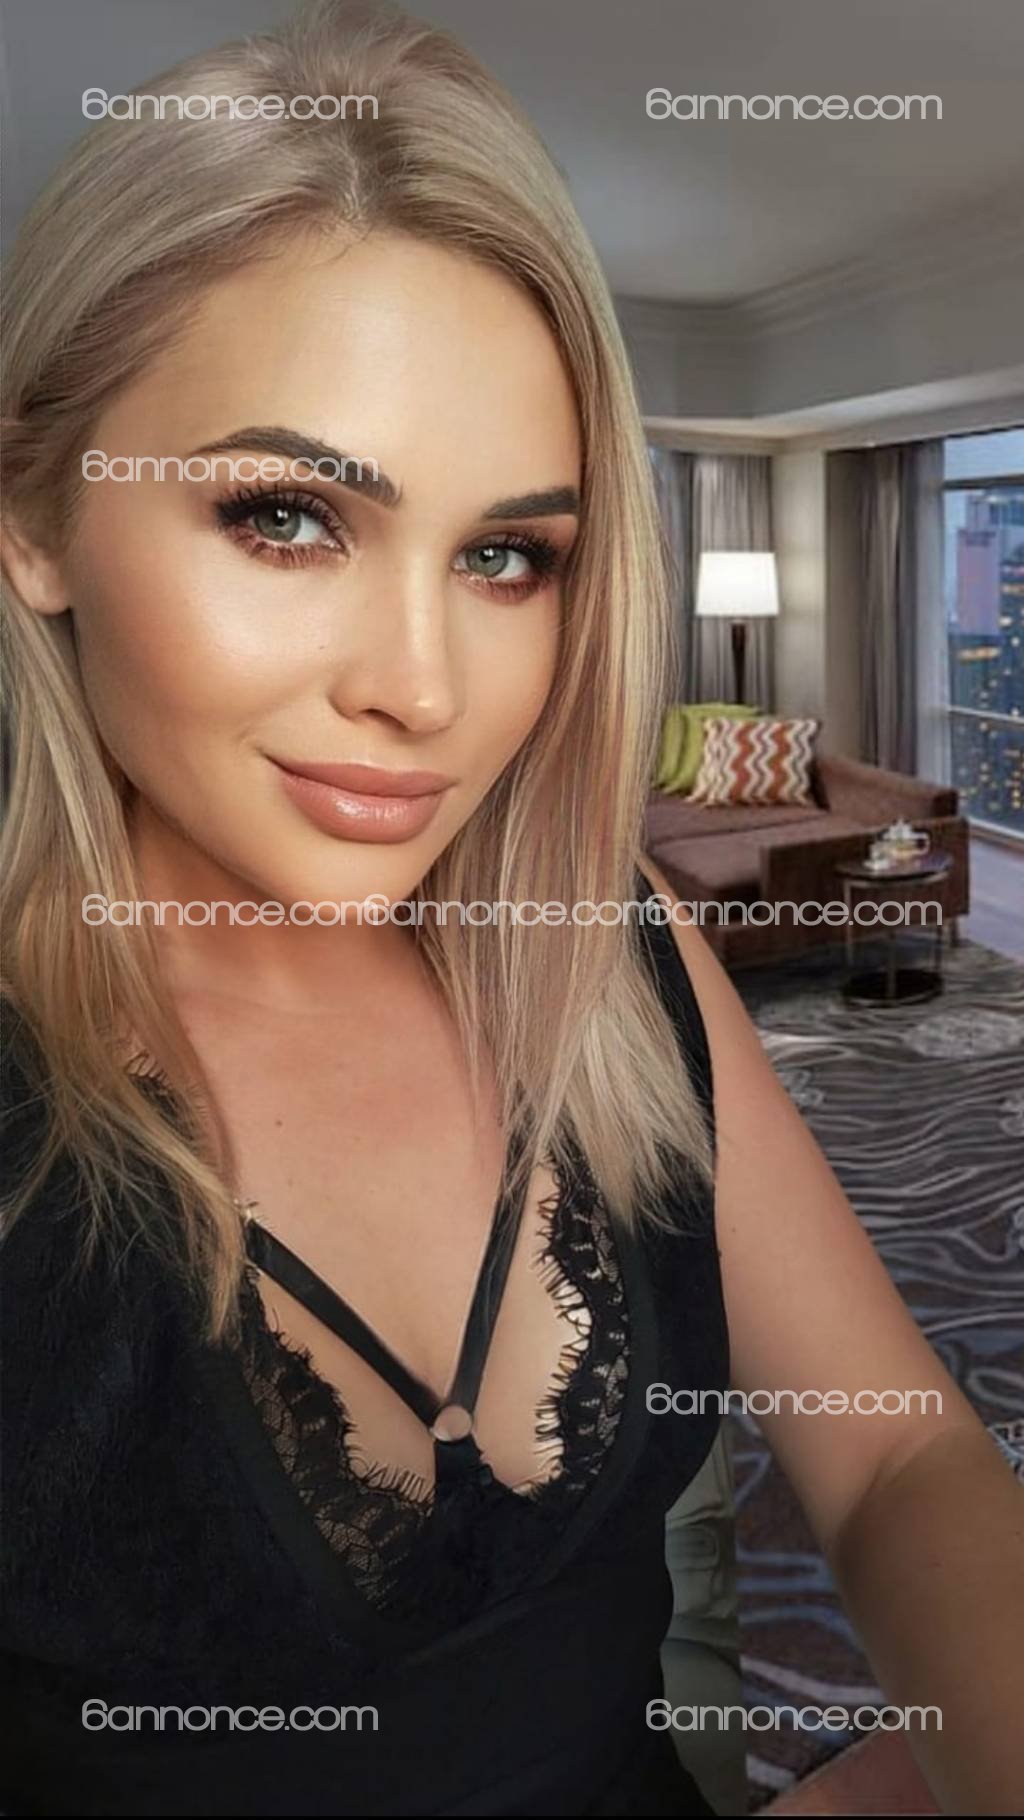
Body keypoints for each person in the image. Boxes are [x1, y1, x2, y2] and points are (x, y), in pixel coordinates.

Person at [1, 3, 1021, 1814]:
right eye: (286, 518)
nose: (424, 690)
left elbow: (892, 1462)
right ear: (33, 514)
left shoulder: (605, 957)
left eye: (504, 557)